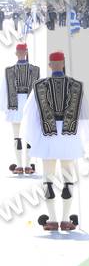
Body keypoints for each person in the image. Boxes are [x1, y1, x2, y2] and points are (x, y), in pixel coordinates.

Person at [21, 51, 89, 231]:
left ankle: (52, 219)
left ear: (50, 65)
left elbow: (30, 115)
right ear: (64, 63)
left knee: (48, 179)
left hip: (48, 136)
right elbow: (84, 114)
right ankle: (66, 219)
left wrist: (33, 137)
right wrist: (85, 137)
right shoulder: (77, 86)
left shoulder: (39, 86)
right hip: (69, 136)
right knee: (68, 178)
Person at [1, 43, 40, 175]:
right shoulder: (35, 70)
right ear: (25, 52)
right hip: (26, 105)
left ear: (16, 53)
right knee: (26, 136)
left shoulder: (9, 70)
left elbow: (4, 90)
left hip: (17, 105)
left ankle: (20, 166)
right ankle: (26, 166)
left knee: (18, 137)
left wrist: (5, 107)